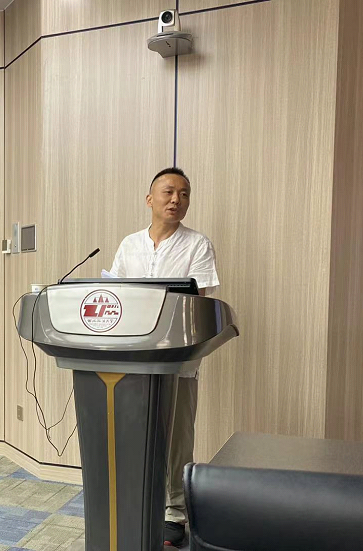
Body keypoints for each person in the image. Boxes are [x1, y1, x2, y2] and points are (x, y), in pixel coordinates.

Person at [110, 167, 219, 547]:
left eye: (184, 194)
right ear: (149, 199)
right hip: (133, 357)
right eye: (169, 191)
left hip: (178, 358)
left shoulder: (197, 245)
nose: (177, 200)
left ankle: (175, 512)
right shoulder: (129, 245)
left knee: (176, 438)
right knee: (134, 431)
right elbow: (116, 293)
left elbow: (197, 302)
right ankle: (137, 504)